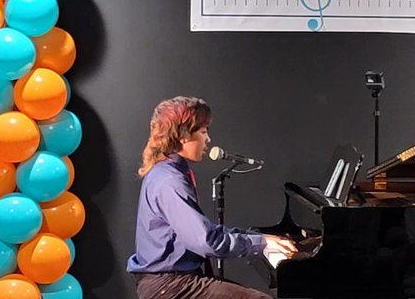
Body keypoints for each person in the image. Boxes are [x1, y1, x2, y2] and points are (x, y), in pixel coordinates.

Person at [127, 96, 296, 299]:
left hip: (175, 280)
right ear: (183, 136)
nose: (208, 139)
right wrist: (260, 243)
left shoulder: (168, 171)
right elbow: (206, 241)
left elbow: (204, 231)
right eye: (203, 131)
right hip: (169, 286)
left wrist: (259, 238)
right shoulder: (170, 181)